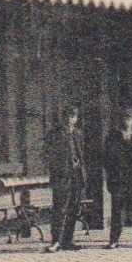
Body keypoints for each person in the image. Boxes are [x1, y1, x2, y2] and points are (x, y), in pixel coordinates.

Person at [103, 108, 132, 249]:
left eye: (129, 119)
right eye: (124, 118)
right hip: (119, 180)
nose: (127, 122)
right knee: (117, 211)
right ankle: (114, 240)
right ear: (120, 121)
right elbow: (107, 160)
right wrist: (111, 177)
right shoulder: (112, 138)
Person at [44, 106, 86, 252]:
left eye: (73, 116)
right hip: (62, 177)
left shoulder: (78, 134)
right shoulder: (54, 134)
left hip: (76, 176)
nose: (70, 119)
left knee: (73, 209)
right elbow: (48, 156)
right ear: (63, 117)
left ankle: (68, 240)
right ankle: (56, 241)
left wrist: (79, 166)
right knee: (59, 209)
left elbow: (81, 154)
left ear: (76, 118)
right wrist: (62, 167)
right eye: (67, 116)